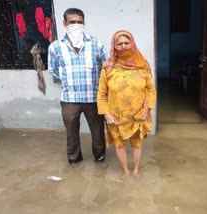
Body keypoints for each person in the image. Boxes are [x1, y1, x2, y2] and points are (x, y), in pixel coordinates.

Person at [48, 8, 107, 164]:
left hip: (93, 98)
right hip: (69, 99)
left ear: (84, 23)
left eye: (79, 22)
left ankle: (99, 157)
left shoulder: (95, 43)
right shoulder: (55, 47)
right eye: (72, 22)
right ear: (64, 24)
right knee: (71, 133)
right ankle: (74, 159)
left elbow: (105, 68)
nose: (76, 25)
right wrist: (69, 80)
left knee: (98, 131)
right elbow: (53, 69)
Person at [97, 30, 156, 177]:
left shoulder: (143, 65)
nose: (123, 46)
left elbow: (150, 90)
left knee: (137, 144)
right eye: (119, 43)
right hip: (116, 116)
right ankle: (125, 170)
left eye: (126, 43)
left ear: (132, 43)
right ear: (115, 46)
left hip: (138, 115)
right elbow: (102, 93)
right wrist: (107, 114)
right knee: (119, 144)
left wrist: (146, 110)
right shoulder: (108, 67)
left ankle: (136, 169)